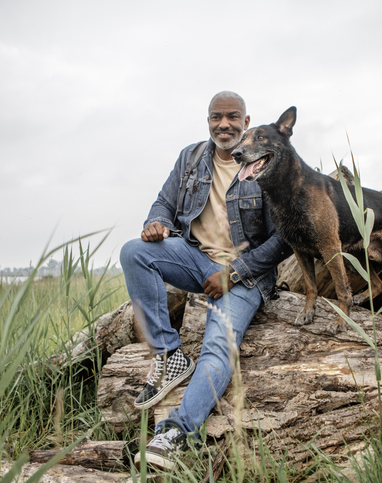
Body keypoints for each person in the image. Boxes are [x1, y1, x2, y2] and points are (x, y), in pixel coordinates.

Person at [119, 91, 291, 470]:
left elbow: (285, 238)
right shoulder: (192, 157)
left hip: (246, 274)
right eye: (216, 117)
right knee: (134, 252)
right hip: (196, 259)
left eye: (233, 117)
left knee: (216, 345)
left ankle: (177, 431)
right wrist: (157, 223)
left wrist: (235, 272)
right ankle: (169, 355)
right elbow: (164, 202)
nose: (224, 125)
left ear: (247, 123)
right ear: (208, 120)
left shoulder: (266, 164)